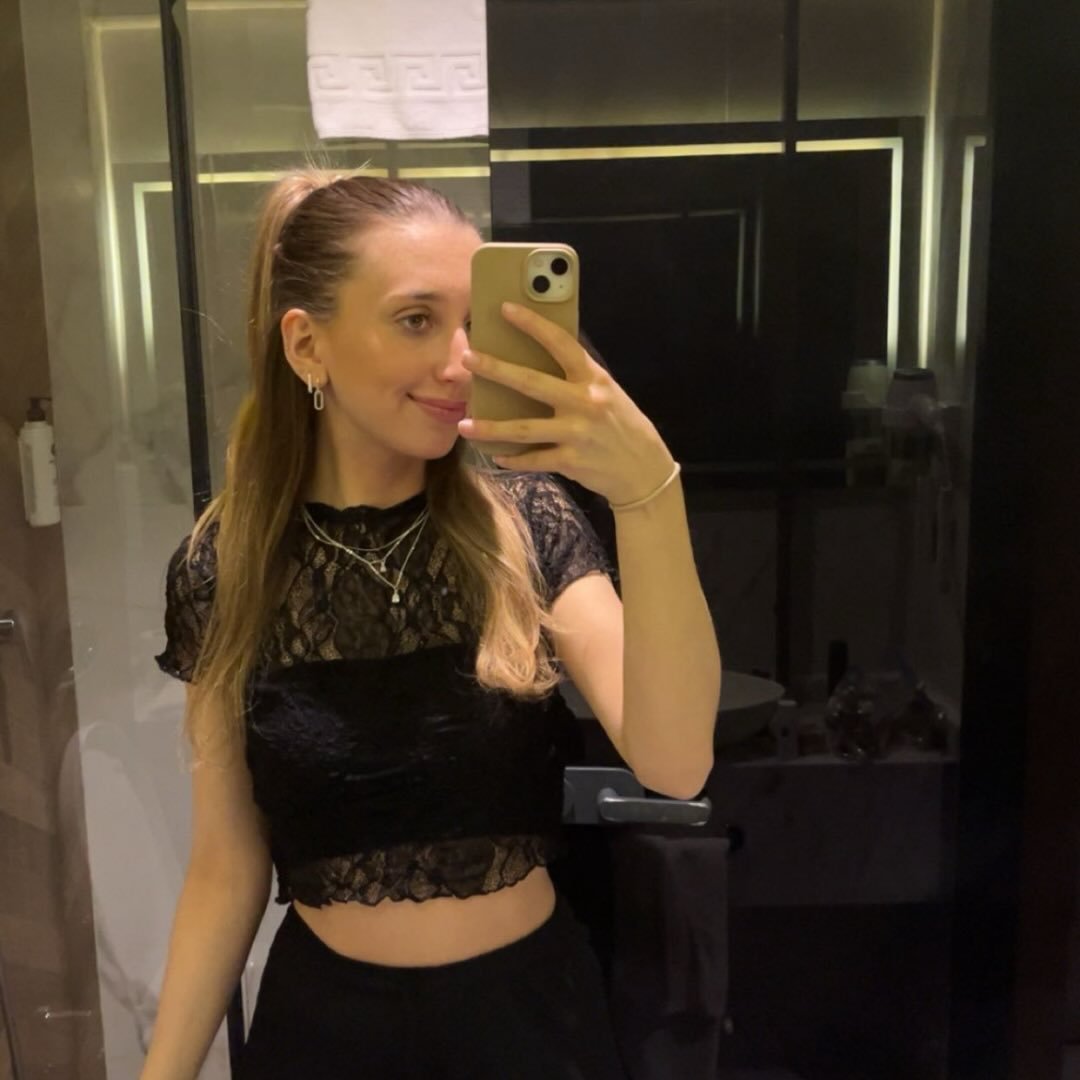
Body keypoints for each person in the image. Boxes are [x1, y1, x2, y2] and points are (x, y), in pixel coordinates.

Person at [142, 171, 721, 1080]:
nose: (461, 363)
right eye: (416, 320)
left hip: (529, 1029)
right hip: (323, 1040)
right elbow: (226, 867)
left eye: (473, 324)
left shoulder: (526, 527)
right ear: (307, 344)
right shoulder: (229, 568)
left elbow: (676, 762)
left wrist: (651, 492)